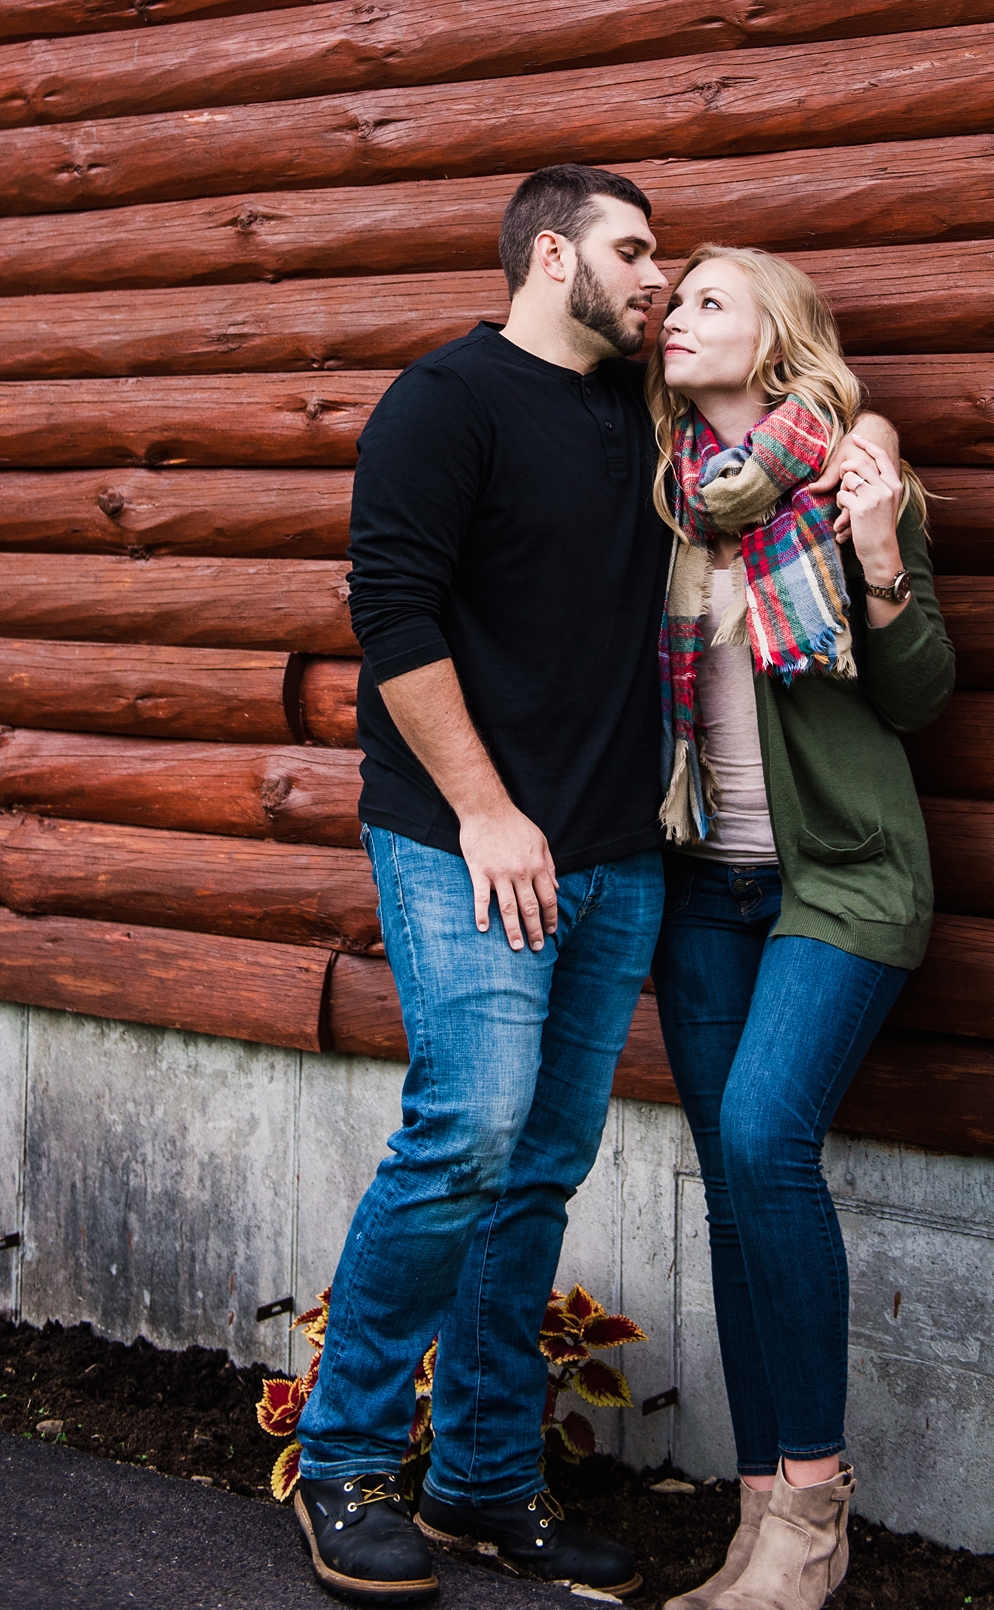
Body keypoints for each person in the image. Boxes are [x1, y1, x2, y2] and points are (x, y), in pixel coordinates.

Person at [294, 163, 673, 1604]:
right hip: (470, 842)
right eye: (632, 251)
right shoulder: (444, 403)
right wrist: (485, 811)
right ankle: (341, 1463)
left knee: (538, 1171)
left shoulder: (640, 414)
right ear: (550, 255)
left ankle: (482, 1486)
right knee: (467, 1132)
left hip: (614, 853)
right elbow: (388, 613)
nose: (654, 275)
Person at [646, 247, 955, 1610]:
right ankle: (760, 1508)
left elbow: (919, 696)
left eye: (708, 300)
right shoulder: (660, 497)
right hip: (701, 882)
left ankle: (815, 1514)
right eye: (671, 298)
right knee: (727, 1175)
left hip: (840, 878)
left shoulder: (842, 483)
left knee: (766, 1139)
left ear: (776, 341)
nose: (673, 315)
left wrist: (879, 549)